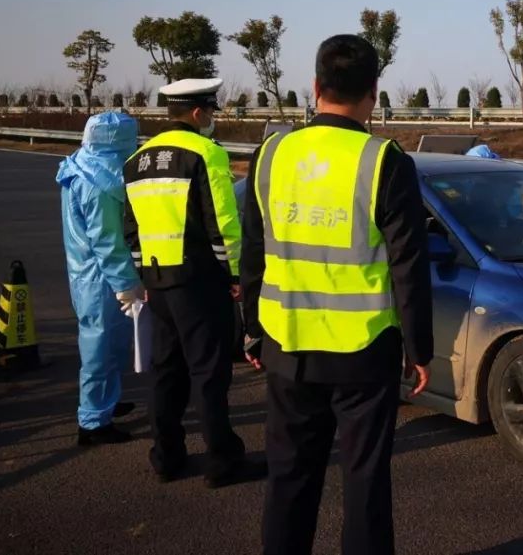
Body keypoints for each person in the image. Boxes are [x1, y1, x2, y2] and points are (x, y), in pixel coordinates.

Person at [241, 35, 434, 555]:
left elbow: (254, 251)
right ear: (374, 92)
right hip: (363, 356)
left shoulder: (271, 153)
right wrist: (420, 351)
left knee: (289, 479)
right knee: (365, 482)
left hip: (287, 344)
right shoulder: (385, 162)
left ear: (315, 87)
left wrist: (251, 330)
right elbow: (408, 266)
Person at [123, 78, 264, 488]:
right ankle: (222, 462)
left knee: (166, 372)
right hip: (199, 283)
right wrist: (234, 274)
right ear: (199, 113)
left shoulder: (137, 159)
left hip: (158, 283)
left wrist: (145, 276)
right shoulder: (206, 153)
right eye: (212, 112)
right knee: (209, 374)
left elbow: (130, 228)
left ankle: (166, 457)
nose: (213, 120)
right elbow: (223, 222)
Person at [56, 111, 142, 445]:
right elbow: (107, 241)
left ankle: (107, 400)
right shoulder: (100, 182)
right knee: (99, 347)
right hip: (100, 277)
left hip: (89, 273)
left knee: (111, 343)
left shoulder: (82, 165)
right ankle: (93, 422)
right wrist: (126, 283)